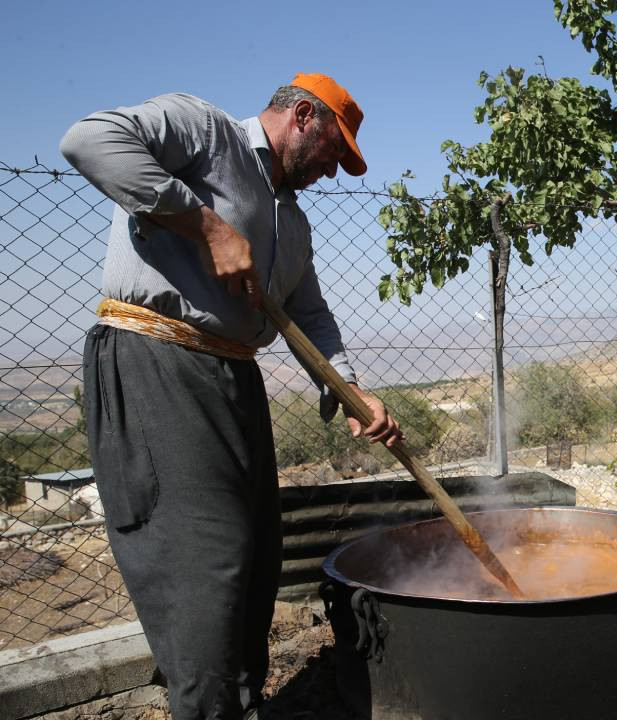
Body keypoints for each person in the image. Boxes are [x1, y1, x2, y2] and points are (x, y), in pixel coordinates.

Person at [60, 73, 403, 720]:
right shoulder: (206, 131)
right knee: (208, 577)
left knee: (254, 566)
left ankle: (236, 707)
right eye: (334, 154)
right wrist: (207, 227)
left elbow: (312, 316)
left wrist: (351, 389)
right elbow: (89, 140)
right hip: (159, 360)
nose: (333, 173)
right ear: (303, 115)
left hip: (234, 379)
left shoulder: (291, 223)